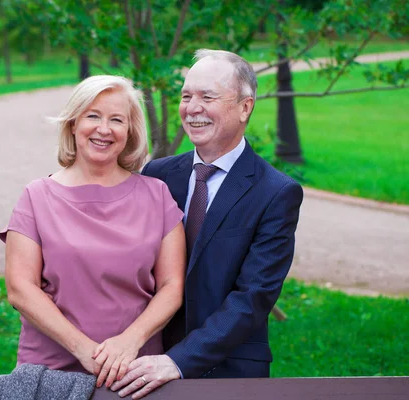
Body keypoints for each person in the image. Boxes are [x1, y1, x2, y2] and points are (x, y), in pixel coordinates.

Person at [111, 49, 304, 398]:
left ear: (245, 107)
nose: (192, 107)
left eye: (207, 96)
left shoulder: (276, 193)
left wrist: (179, 361)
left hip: (229, 369)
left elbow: (253, 297)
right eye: (186, 96)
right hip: (144, 363)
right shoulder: (158, 174)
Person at [0, 75, 186, 389]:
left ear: (129, 131)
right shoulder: (36, 196)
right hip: (52, 372)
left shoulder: (157, 195)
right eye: (93, 116)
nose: (104, 129)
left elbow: (171, 286)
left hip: (135, 370)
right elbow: (21, 288)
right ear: (73, 124)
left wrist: (129, 342)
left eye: (117, 119)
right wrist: (84, 349)